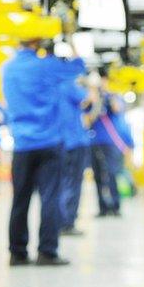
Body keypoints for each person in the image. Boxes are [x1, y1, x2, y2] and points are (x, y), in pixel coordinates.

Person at [1, 38, 85, 267]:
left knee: (20, 199)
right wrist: (69, 42)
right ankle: (47, 252)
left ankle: (17, 253)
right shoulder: (46, 65)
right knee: (50, 198)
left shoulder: (7, 69)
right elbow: (79, 66)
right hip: (49, 143)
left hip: (22, 146)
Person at [85, 72, 133, 217]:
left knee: (112, 173)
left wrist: (108, 95)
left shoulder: (113, 96)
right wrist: (94, 98)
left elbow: (118, 108)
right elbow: (87, 119)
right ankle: (102, 207)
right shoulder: (92, 100)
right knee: (98, 175)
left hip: (110, 143)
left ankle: (116, 206)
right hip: (94, 142)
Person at [59, 71, 89, 236]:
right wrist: (90, 84)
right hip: (75, 141)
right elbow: (88, 100)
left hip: (59, 142)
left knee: (62, 183)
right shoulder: (69, 84)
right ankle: (68, 223)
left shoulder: (52, 86)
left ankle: (60, 221)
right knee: (74, 183)